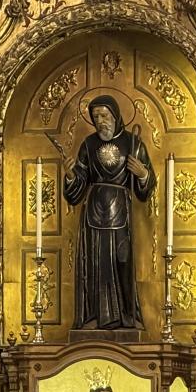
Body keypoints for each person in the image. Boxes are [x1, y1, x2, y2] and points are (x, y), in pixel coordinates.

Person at [63, 96, 155, 330]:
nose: (100, 121)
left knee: (121, 260)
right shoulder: (88, 144)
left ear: (115, 115)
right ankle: (95, 316)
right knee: (95, 262)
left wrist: (142, 173)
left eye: (104, 116)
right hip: (94, 211)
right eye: (96, 117)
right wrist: (72, 176)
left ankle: (126, 316)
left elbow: (145, 187)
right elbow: (79, 185)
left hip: (121, 211)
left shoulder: (132, 143)